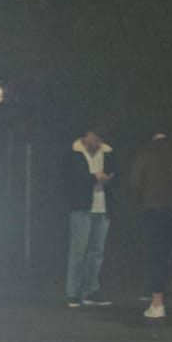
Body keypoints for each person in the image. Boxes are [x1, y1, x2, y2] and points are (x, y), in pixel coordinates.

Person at [130, 129, 172, 319]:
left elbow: (135, 183)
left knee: (157, 258)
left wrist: (140, 206)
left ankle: (158, 304)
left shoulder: (145, 154)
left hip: (155, 211)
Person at [64, 125, 115, 307]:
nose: (98, 143)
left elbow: (114, 175)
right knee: (79, 252)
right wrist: (95, 177)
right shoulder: (74, 153)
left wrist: (106, 179)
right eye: (96, 138)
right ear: (87, 134)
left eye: (101, 140)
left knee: (96, 252)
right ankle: (73, 292)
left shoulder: (107, 153)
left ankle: (91, 290)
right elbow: (72, 179)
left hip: (102, 207)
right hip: (81, 207)